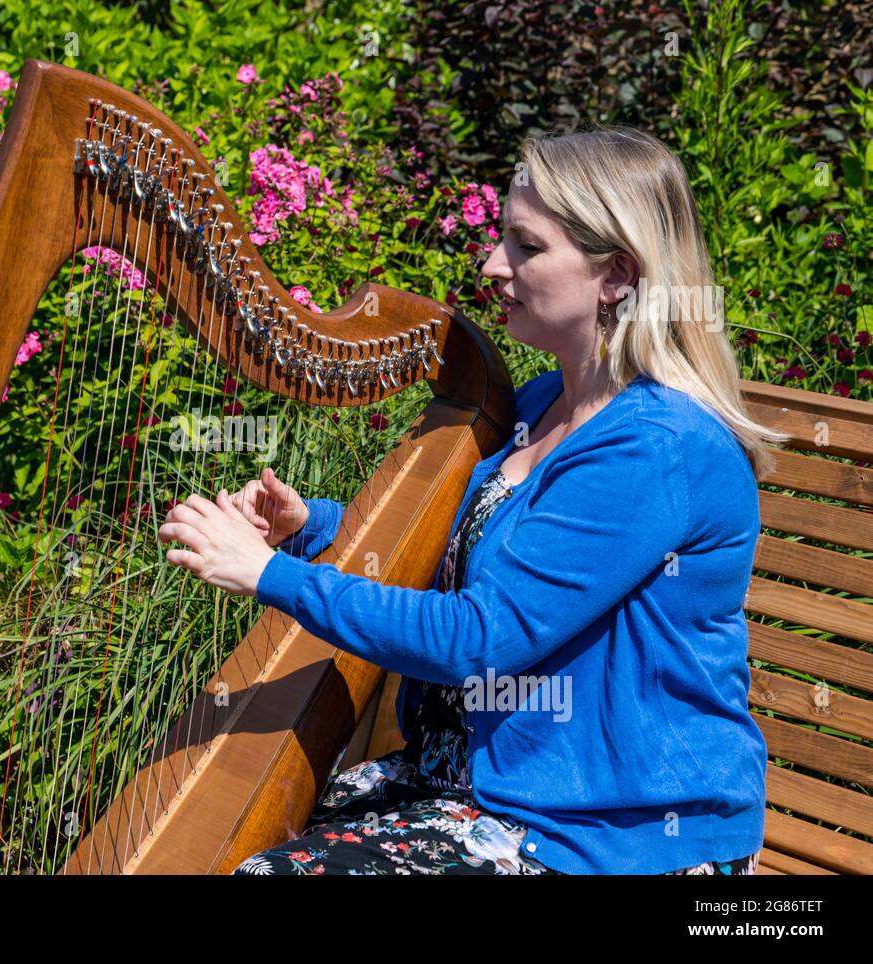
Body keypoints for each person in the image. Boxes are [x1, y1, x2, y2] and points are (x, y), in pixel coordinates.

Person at [156, 126, 790, 875]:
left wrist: (270, 577)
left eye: (526, 245)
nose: (493, 264)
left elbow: (479, 641)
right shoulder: (549, 401)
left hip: (605, 829)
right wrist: (309, 526)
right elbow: (465, 549)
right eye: (501, 240)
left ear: (615, 274)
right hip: (485, 784)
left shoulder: (654, 448)